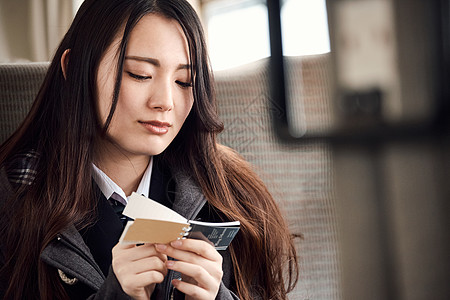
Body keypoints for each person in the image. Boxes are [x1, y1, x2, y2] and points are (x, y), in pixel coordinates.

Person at [0, 0, 298, 299]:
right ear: (74, 67)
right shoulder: (13, 195)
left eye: (185, 81)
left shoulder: (232, 191)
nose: (165, 101)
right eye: (139, 74)